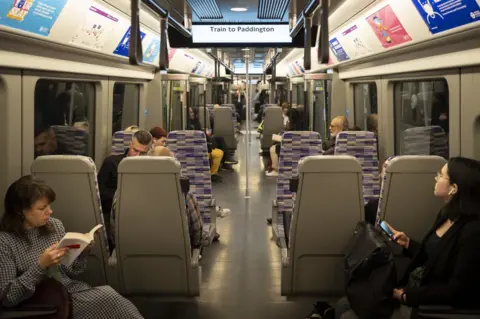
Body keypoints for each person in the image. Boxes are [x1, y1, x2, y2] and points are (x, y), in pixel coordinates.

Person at [336, 156, 480, 319]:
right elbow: (438, 257)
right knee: (344, 303)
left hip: (429, 304)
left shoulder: (473, 232)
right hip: (415, 289)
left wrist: (407, 296)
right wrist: (409, 244)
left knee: (348, 315)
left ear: (453, 188)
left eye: (440, 175)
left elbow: (458, 289)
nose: (436, 178)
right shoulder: (447, 215)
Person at [0, 176, 144, 318]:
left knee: (110, 296)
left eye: (49, 205)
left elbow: (70, 270)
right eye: (42, 208)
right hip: (40, 303)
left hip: (68, 291)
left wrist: (81, 251)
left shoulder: (54, 226)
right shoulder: (5, 242)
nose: (49, 212)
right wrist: (41, 265)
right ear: (21, 211)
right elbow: (8, 298)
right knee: (109, 298)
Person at [108, 146, 206, 262]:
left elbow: (115, 232)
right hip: (176, 263)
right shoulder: (185, 196)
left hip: (133, 264)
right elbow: (197, 233)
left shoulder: (120, 195)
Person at [97, 130, 152, 244]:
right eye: (135, 150)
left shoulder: (153, 168)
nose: (137, 156)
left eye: (142, 153)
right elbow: (99, 194)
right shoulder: (111, 163)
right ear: (130, 144)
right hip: (115, 213)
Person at [187, 108, 225, 181]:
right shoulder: (192, 125)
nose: (193, 114)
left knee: (218, 141)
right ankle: (212, 174)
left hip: (200, 145)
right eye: (191, 112)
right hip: (200, 148)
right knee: (219, 153)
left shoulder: (193, 123)